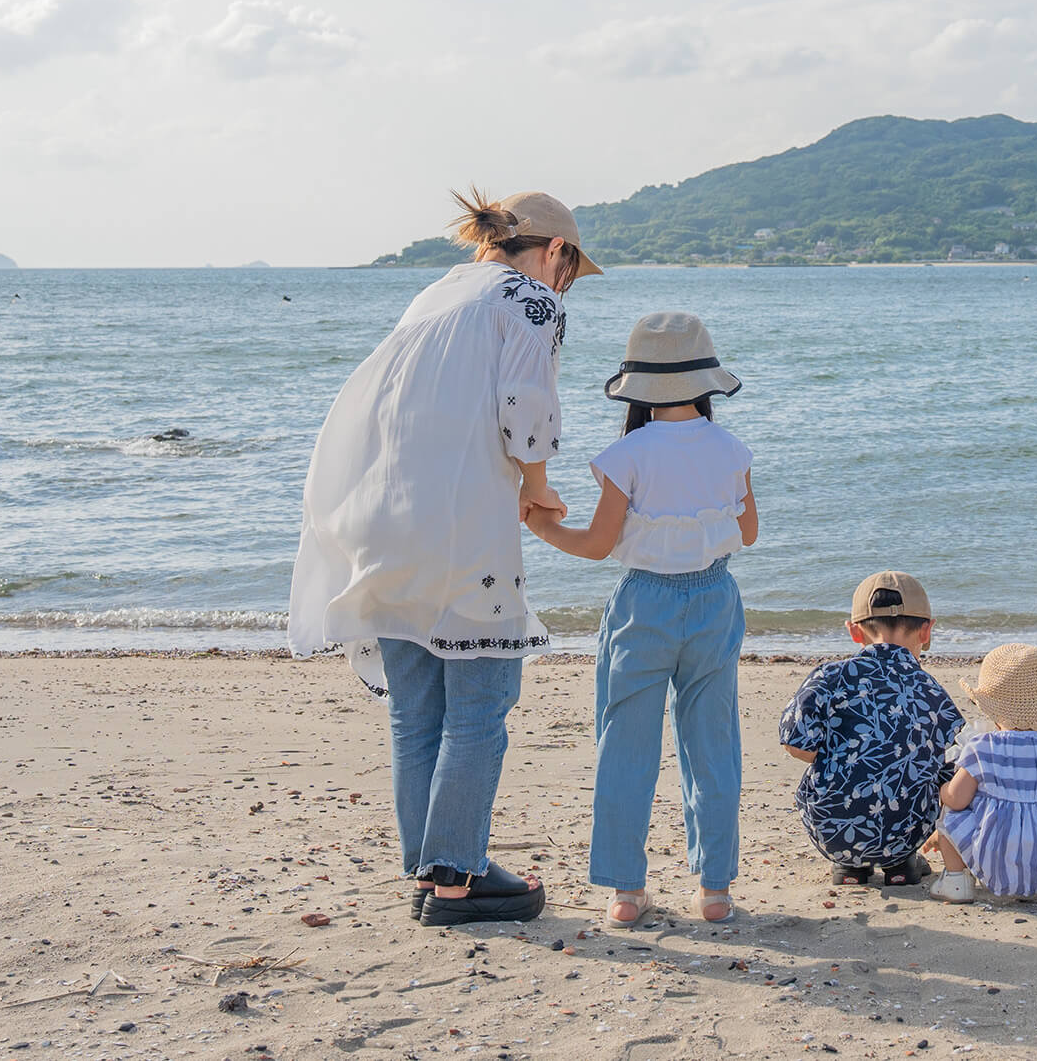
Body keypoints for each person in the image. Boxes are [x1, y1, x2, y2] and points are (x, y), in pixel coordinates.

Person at [288, 187, 601, 926]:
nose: (565, 286)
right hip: (458, 529)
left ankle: (431, 873)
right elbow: (525, 408)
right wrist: (540, 488)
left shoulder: (434, 294)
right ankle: (457, 880)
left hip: (381, 519)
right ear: (554, 252)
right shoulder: (530, 298)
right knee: (480, 707)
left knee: (416, 714)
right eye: (570, 269)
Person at [524, 311, 757, 924]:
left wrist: (543, 526)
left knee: (625, 742)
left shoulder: (627, 453)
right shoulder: (731, 449)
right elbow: (748, 533)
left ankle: (625, 892)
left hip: (643, 604)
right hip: (713, 600)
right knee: (712, 744)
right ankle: (714, 889)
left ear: (636, 386)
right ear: (706, 381)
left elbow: (598, 545)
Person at [779, 572, 965, 887]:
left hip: (832, 830)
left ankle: (848, 865)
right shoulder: (929, 688)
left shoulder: (829, 677)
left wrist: (845, 760)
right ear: (926, 631)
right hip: (905, 831)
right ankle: (900, 863)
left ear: (853, 631)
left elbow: (795, 743)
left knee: (826, 770)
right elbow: (947, 756)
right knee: (943, 769)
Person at [928, 643, 1037, 904]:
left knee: (951, 812)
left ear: (990, 707)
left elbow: (958, 800)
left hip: (994, 862)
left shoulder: (983, 748)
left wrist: (942, 791)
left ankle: (956, 881)